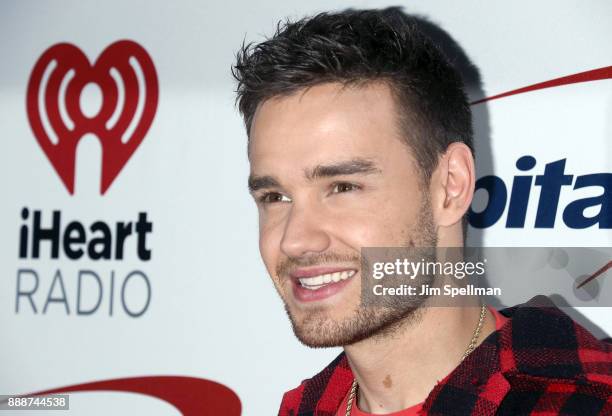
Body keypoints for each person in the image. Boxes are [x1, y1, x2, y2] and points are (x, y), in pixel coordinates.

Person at [232, 7, 612, 415]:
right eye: (275, 197)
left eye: (342, 187)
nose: (294, 239)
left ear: (451, 186)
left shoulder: (578, 404)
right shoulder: (304, 407)